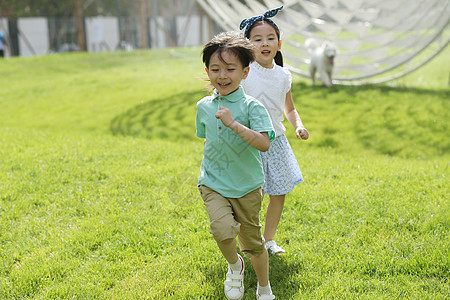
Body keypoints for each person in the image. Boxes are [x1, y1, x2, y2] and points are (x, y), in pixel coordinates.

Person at [196, 31, 276, 300]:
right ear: (207, 71)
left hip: (247, 186)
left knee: (253, 244)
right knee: (221, 229)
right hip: (213, 183)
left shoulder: (253, 107)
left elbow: (264, 143)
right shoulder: (203, 106)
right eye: (216, 69)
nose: (222, 75)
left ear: (244, 72)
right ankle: (234, 266)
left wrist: (233, 124)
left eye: (230, 69)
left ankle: (264, 287)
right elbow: (207, 138)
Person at [240, 6, 309, 256]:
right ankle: (249, 241)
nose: (264, 43)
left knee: (278, 193)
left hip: (276, 140)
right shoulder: (244, 73)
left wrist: (298, 125)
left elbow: (289, 109)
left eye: (270, 38)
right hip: (249, 142)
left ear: (279, 44)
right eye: (257, 39)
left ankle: (268, 240)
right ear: (248, 45)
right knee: (250, 196)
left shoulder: (283, 75)